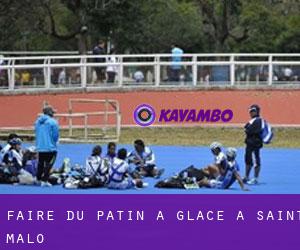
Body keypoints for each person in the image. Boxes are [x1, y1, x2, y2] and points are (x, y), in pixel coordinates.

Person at [35, 106, 59, 187]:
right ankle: (44, 180)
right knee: (49, 164)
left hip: (40, 147)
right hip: (50, 147)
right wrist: (54, 142)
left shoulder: (37, 122)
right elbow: (55, 135)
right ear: (50, 113)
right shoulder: (53, 122)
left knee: (40, 163)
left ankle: (38, 179)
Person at [243, 104, 263, 185]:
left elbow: (250, 130)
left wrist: (248, 130)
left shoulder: (258, 120)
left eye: (253, 111)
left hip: (255, 144)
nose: (251, 113)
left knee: (255, 160)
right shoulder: (252, 120)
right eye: (250, 111)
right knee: (248, 160)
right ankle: (246, 176)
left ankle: (255, 178)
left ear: (257, 111)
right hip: (249, 143)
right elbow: (247, 128)